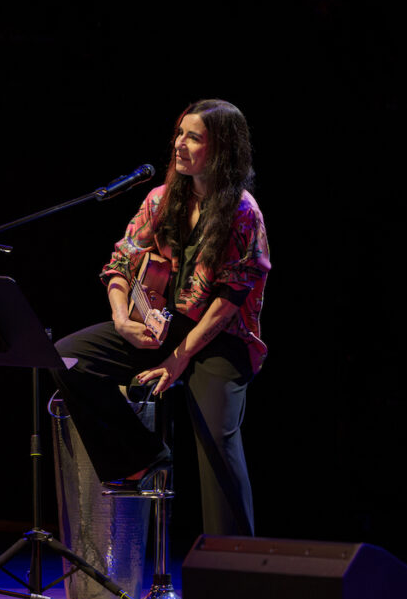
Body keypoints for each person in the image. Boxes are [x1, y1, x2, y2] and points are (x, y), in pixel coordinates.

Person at [51, 98, 270, 537]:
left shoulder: (242, 212)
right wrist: (120, 318)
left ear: (221, 149)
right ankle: (141, 457)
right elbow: (120, 261)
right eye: (179, 134)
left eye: (194, 137)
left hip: (221, 336)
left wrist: (180, 359)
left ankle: (235, 570)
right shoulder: (162, 199)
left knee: (217, 437)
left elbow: (230, 299)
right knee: (65, 357)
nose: (179, 145)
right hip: (163, 325)